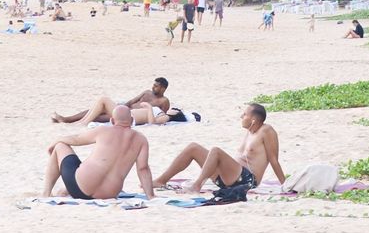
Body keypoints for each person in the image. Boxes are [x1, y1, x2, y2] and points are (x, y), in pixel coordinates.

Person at [152, 103, 285, 194]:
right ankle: (161, 180)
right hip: (228, 177)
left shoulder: (267, 131)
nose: (241, 116)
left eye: (244, 115)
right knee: (193, 147)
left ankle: (196, 186)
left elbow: (274, 161)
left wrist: (285, 186)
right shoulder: (250, 130)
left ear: (254, 120)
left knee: (215, 151)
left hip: (247, 180)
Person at [44, 104, 154, 200]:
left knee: (60, 146)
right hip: (108, 194)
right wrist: (150, 195)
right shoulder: (141, 140)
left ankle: (46, 193)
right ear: (131, 120)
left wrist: (57, 140)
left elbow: (76, 139)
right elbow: (143, 169)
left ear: (112, 120)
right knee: (65, 190)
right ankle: (64, 191)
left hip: (79, 186)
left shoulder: (103, 130)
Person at [51, 77, 170, 124]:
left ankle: (71, 122)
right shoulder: (147, 92)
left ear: (163, 88)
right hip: (126, 109)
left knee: (98, 116)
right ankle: (67, 119)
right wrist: (122, 105)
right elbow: (131, 101)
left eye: (156, 86)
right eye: (153, 85)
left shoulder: (164, 101)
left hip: (130, 116)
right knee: (93, 110)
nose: (153, 87)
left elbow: (158, 117)